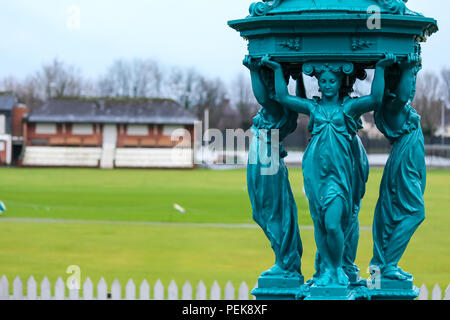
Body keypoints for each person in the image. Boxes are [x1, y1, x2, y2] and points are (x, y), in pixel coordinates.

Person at [262, 54, 396, 286]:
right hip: (315, 173)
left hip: (339, 175)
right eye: (323, 81)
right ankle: (326, 270)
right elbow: (284, 97)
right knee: (320, 223)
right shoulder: (313, 108)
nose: (327, 85)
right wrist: (275, 69)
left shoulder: (348, 108)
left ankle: (336, 268)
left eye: (332, 81)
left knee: (333, 224)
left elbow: (375, 98)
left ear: (338, 82)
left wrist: (382, 68)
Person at [244, 56, 304, 279]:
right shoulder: (286, 108)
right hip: (265, 157)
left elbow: (264, 97)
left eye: (270, 81)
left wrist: (252, 70)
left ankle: (285, 261)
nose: (267, 86)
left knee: (269, 209)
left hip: (266, 159)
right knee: (268, 208)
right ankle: (285, 258)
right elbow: (298, 98)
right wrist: (299, 78)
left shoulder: (277, 108)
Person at [370, 53, 426, 281]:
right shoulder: (392, 107)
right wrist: (408, 66)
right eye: (409, 80)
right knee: (415, 212)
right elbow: (403, 94)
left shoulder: (400, 109)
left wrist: (412, 69)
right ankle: (388, 263)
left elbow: (406, 92)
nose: (412, 87)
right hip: (404, 168)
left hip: (409, 167)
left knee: (398, 214)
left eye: (414, 81)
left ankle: (386, 264)